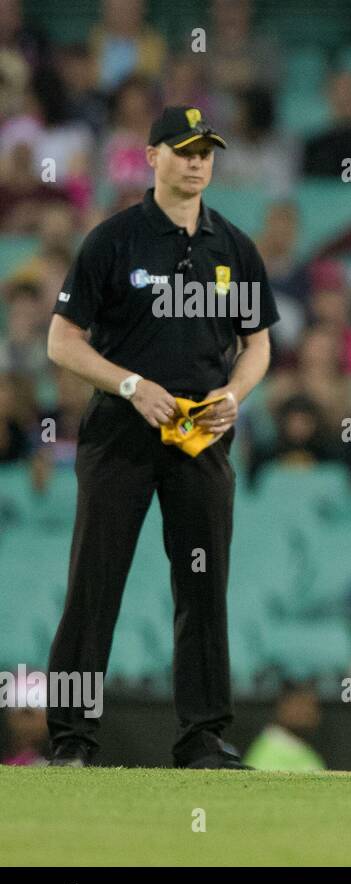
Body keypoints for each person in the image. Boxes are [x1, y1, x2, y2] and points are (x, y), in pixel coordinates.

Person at [43, 105, 279, 768]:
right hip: (121, 431)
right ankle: (71, 740)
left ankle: (202, 737)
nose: (197, 160)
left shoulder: (234, 247)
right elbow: (62, 342)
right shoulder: (114, 240)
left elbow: (258, 345)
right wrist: (127, 385)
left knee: (203, 586)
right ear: (151, 156)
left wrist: (233, 395)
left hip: (200, 435)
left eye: (206, 150)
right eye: (182, 149)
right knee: (95, 582)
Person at [243, 682, 326, 771]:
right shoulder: (269, 753)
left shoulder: (304, 750)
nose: (307, 712)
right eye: (300, 705)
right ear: (282, 707)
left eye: (312, 706)